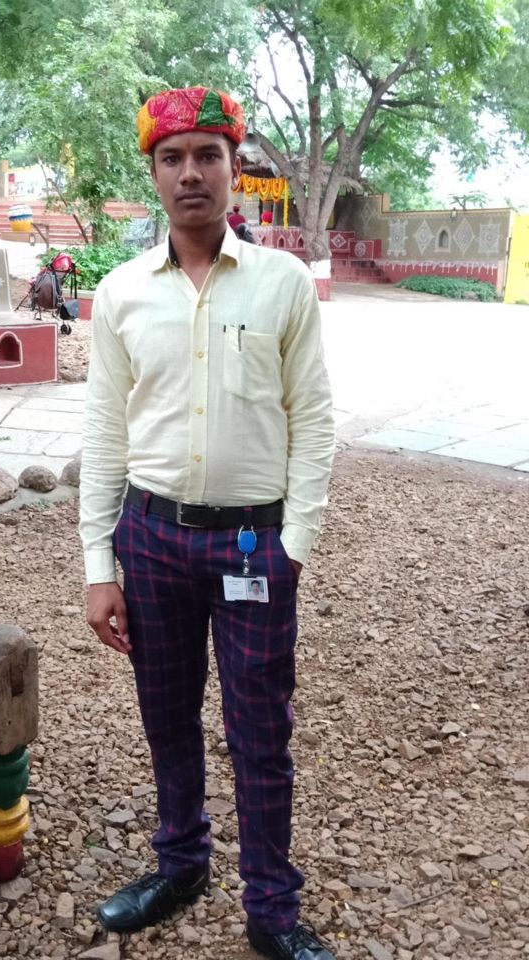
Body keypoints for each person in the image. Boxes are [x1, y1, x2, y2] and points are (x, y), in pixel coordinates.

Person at [81, 86, 336, 960]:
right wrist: (98, 564)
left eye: (207, 155)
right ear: (153, 173)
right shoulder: (120, 293)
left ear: (234, 167)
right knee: (167, 715)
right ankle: (181, 864)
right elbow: (105, 431)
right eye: (172, 157)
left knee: (260, 731)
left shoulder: (282, 283)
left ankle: (272, 910)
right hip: (150, 539)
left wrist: (295, 543)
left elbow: (314, 418)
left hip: (253, 545)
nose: (190, 172)